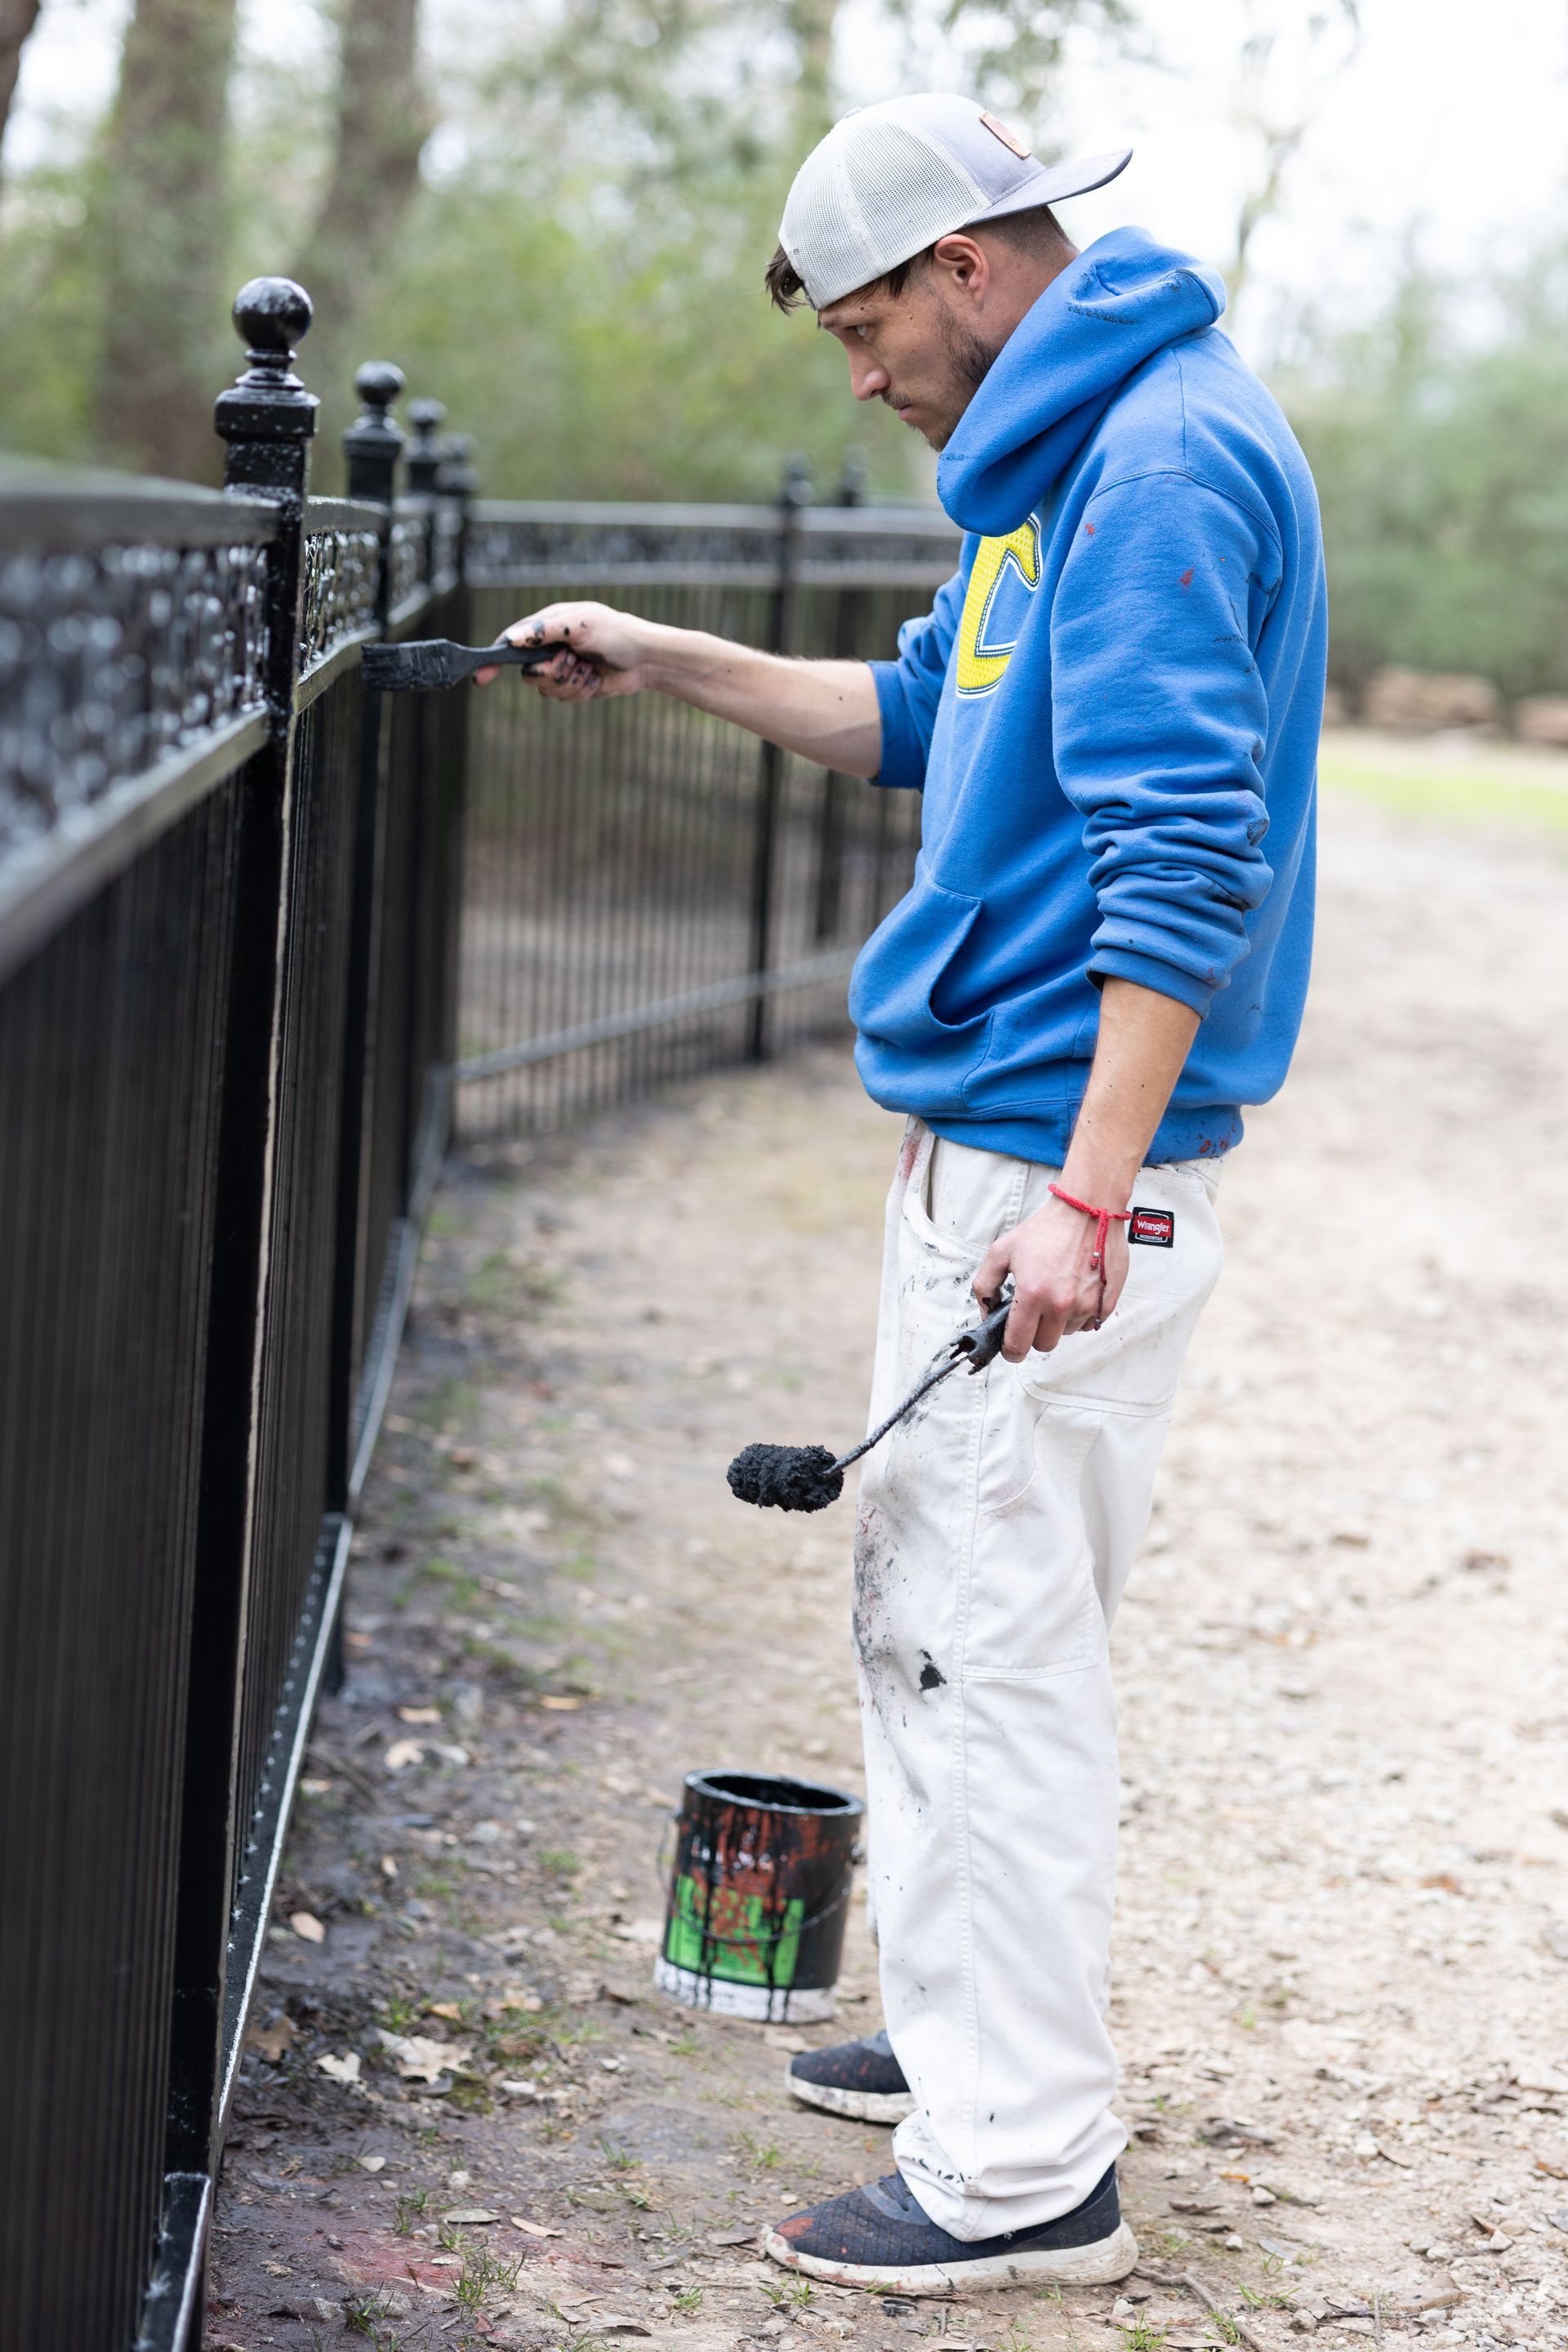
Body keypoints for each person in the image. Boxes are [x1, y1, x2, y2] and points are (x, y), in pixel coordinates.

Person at [481, 91, 1326, 2294]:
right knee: (936, 1629)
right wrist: (661, 653)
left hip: (1053, 1175)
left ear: (973, 263)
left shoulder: (1153, 468)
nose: (859, 375)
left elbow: (1186, 856)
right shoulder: (1063, 463)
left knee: (993, 1656)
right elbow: (919, 718)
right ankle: (964, 2037)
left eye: (869, 323)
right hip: (1006, 1150)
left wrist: (1087, 1195)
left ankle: (1023, 2167)